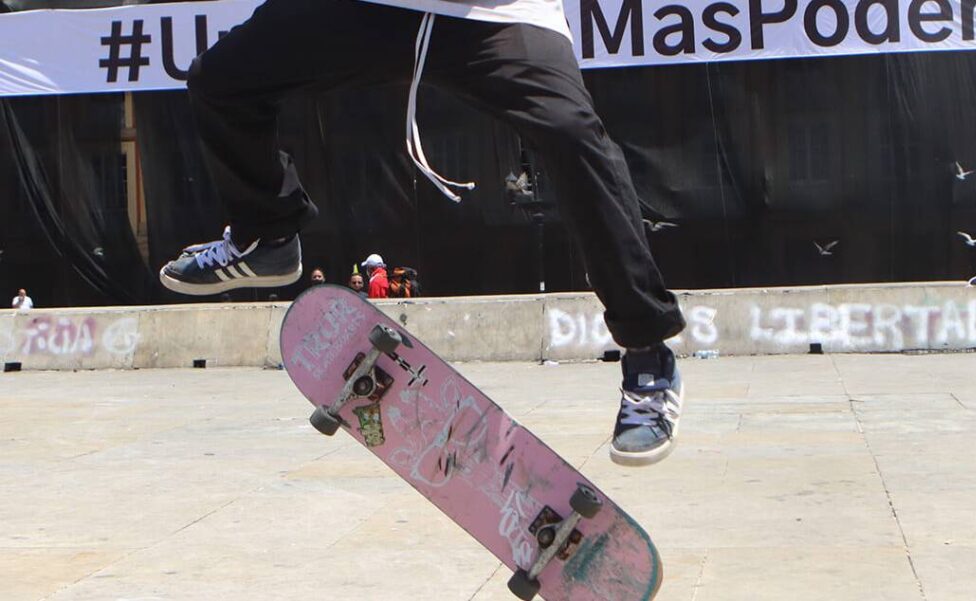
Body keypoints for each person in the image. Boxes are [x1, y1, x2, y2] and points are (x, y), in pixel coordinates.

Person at [156, 0, 685, 466]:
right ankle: (266, 235)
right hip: (372, 8)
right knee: (222, 80)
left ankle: (646, 352)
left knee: (573, 138)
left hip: (493, 18)